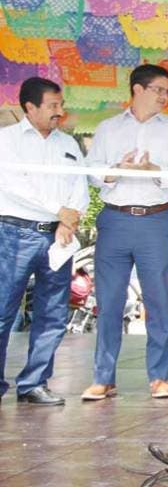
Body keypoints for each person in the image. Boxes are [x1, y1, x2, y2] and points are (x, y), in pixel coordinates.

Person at [83, 64, 168, 401]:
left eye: (167, 92)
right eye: (159, 90)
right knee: (109, 302)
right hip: (115, 220)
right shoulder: (108, 128)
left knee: (158, 301)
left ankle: (158, 377)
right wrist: (117, 169)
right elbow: (92, 173)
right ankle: (103, 378)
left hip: (156, 221)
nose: (164, 97)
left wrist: (153, 169)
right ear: (137, 90)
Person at [0, 77, 88, 406]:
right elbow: (12, 186)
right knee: (3, 312)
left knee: (52, 314)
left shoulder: (68, 144)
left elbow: (79, 187)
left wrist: (70, 218)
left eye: (60, 105)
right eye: (52, 105)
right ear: (30, 107)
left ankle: (34, 382)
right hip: (14, 233)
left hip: (58, 237)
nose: (59, 111)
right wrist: (59, 211)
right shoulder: (7, 140)